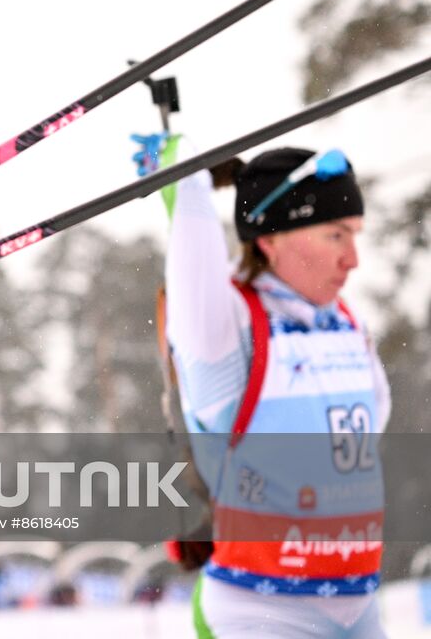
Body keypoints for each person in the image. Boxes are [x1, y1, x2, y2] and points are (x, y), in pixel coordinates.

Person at [136, 135, 389, 638]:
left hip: (358, 603)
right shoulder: (228, 334)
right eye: (336, 235)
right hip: (260, 610)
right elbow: (195, 269)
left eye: (356, 235)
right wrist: (183, 181)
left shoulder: (345, 323)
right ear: (271, 239)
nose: (353, 258)